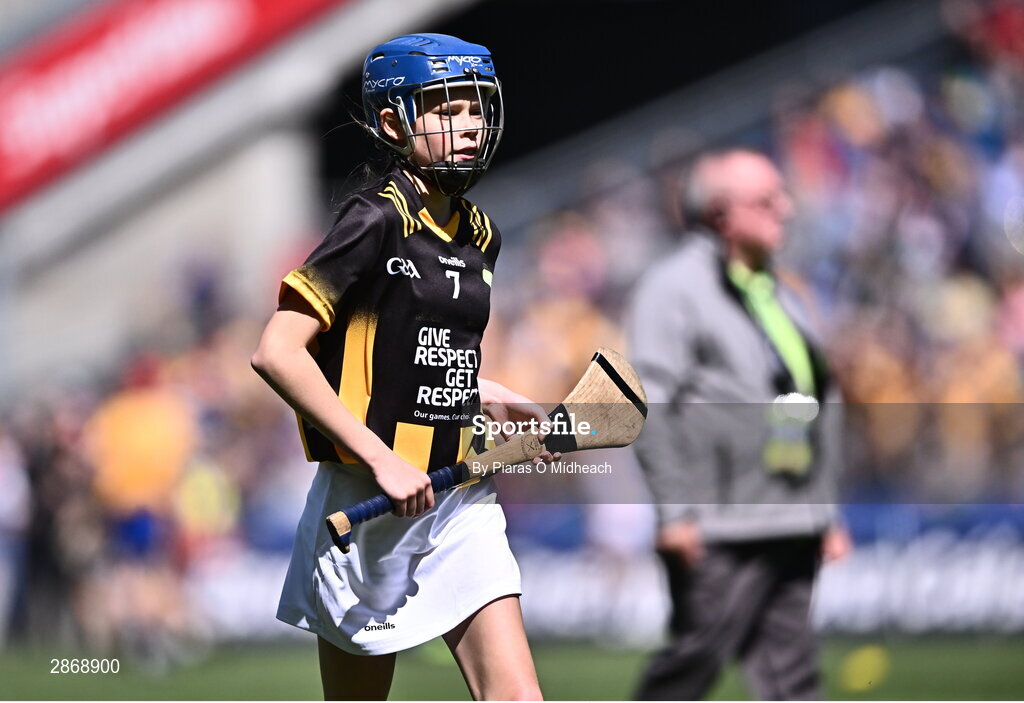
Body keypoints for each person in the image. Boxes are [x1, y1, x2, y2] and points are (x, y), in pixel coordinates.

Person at [251, 33, 554, 701]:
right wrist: (381, 457)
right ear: (394, 122)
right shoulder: (373, 219)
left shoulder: (480, 234)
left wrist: (486, 393)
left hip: (458, 502)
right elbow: (277, 350)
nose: (469, 124)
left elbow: (411, 354)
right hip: (365, 503)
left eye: (475, 107)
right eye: (446, 109)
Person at [627, 148, 851, 700]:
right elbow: (650, 403)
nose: (788, 209)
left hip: (789, 517)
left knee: (791, 677)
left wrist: (824, 508)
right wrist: (675, 512)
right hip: (718, 526)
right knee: (691, 666)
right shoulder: (674, 286)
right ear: (720, 214)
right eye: (768, 199)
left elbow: (807, 398)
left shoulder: (772, 288)